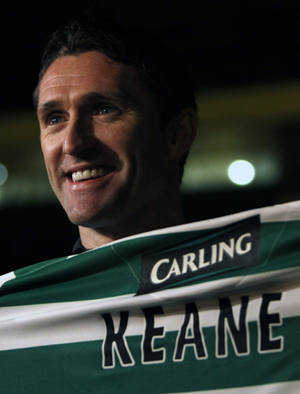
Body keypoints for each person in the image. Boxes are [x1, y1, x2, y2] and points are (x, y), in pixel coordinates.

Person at [33, 20, 198, 252]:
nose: (72, 143)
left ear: (178, 134)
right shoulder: (24, 289)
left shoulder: (254, 280)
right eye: (55, 118)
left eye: (104, 110)